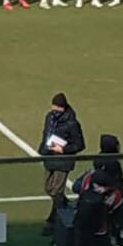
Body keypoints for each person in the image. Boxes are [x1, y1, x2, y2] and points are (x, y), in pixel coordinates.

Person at [38, 92, 85, 236]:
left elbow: (80, 145)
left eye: (59, 107)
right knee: (48, 189)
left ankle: (53, 222)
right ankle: (63, 204)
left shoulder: (72, 123)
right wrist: (42, 149)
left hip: (63, 161)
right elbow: (45, 133)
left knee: (56, 191)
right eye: (54, 106)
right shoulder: (49, 118)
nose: (56, 109)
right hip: (50, 158)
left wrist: (63, 149)